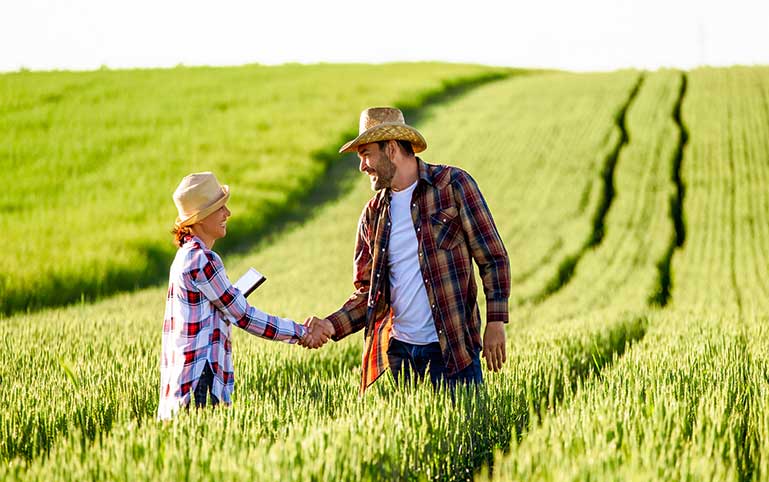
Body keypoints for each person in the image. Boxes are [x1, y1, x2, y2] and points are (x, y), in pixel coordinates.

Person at [306, 107, 511, 393]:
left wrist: (496, 322)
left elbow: (493, 258)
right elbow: (368, 293)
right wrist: (330, 325)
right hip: (402, 357)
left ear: (391, 149)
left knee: (468, 435)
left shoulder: (452, 186)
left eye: (366, 154)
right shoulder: (372, 215)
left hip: (453, 352)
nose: (362, 166)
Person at [158, 172, 320, 420]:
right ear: (200, 219)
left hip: (185, 382)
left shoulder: (185, 256)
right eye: (220, 207)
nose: (227, 214)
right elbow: (243, 316)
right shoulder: (203, 260)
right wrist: (299, 332)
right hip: (201, 380)